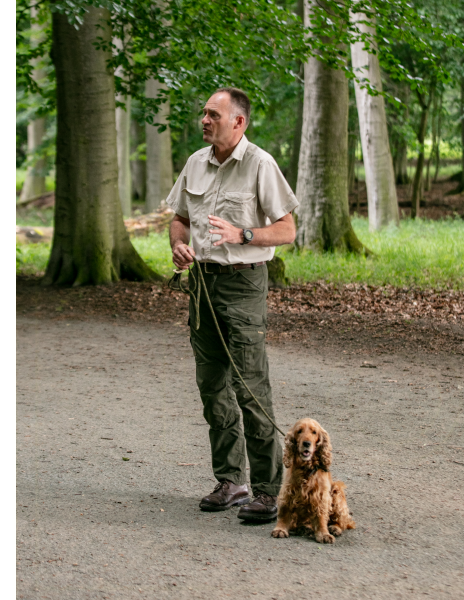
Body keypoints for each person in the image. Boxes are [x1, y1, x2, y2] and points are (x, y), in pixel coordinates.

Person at [167, 87, 299, 522]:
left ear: (238, 122)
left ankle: (266, 490)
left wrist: (243, 234)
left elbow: (286, 230)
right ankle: (231, 481)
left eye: (213, 115)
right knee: (213, 387)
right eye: (204, 113)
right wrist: (179, 246)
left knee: (250, 387)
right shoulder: (194, 163)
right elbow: (180, 218)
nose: (204, 120)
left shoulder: (260, 164)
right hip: (202, 283)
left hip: (244, 285)